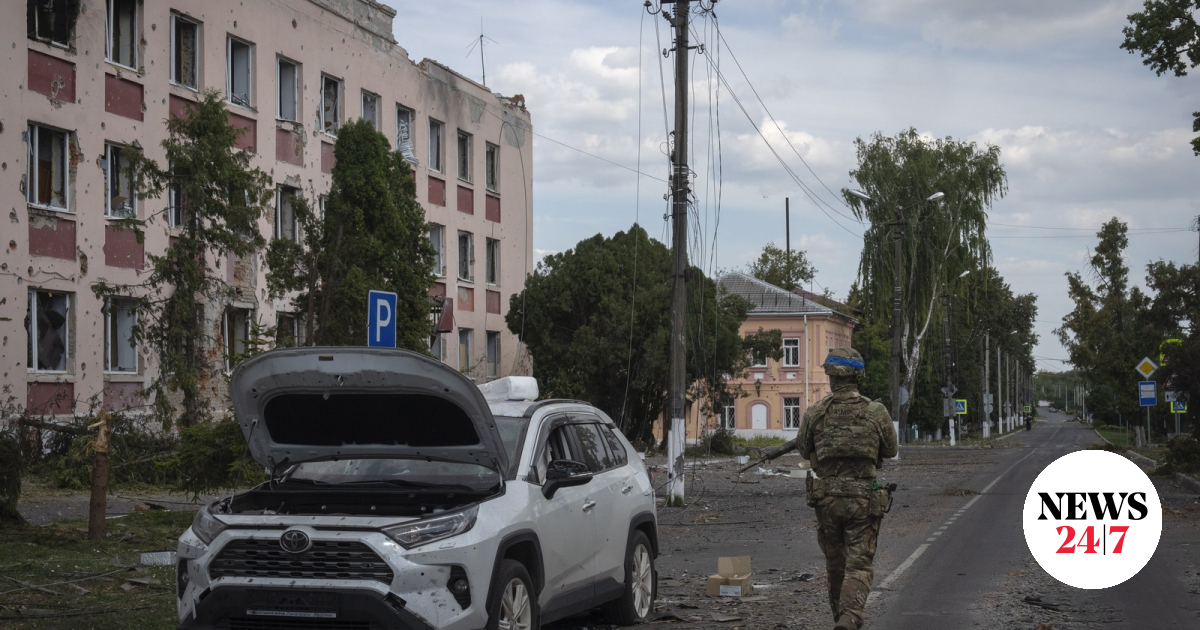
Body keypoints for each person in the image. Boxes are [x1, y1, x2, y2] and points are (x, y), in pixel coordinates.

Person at [797, 347, 898, 630]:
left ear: (830, 377)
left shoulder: (815, 412)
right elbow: (891, 450)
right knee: (859, 564)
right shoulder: (875, 411)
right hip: (863, 500)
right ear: (859, 376)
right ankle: (850, 617)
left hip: (826, 500)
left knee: (835, 565)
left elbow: (805, 449)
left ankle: (840, 618)